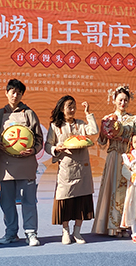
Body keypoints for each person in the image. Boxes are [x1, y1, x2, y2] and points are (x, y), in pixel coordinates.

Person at [0, 79, 44, 246]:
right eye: (12, 92)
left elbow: (39, 139)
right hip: (6, 165)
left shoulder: (29, 113)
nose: (15, 95)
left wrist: (33, 150)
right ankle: (10, 232)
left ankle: (31, 232)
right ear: (6, 93)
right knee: (7, 201)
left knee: (28, 200)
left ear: (22, 95)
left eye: (19, 93)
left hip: (26, 164)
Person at [44, 95, 98, 244]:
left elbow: (93, 131)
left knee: (82, 200)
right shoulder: (55, 126)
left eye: (74, 106)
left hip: (82, 167)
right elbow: (48, 145)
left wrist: (88, 113)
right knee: (65, 200)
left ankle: (77, 231)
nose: (72, 109)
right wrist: (56, 148)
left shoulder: (80, 124)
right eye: (69, 106)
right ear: (62, 108)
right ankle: (65, 231)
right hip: (66, 168)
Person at [93, 85, 136, 237]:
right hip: (114, 156)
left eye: (125, 100)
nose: (123, 103)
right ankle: (111, 226)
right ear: (114, 100)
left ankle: (125, 226)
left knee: (127, 191)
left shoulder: (133, 119)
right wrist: (103, 131)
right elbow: (101, 142)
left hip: (129, 158)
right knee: (112, 189)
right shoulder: (108, 118)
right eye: (120, 100)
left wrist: (124, 139)